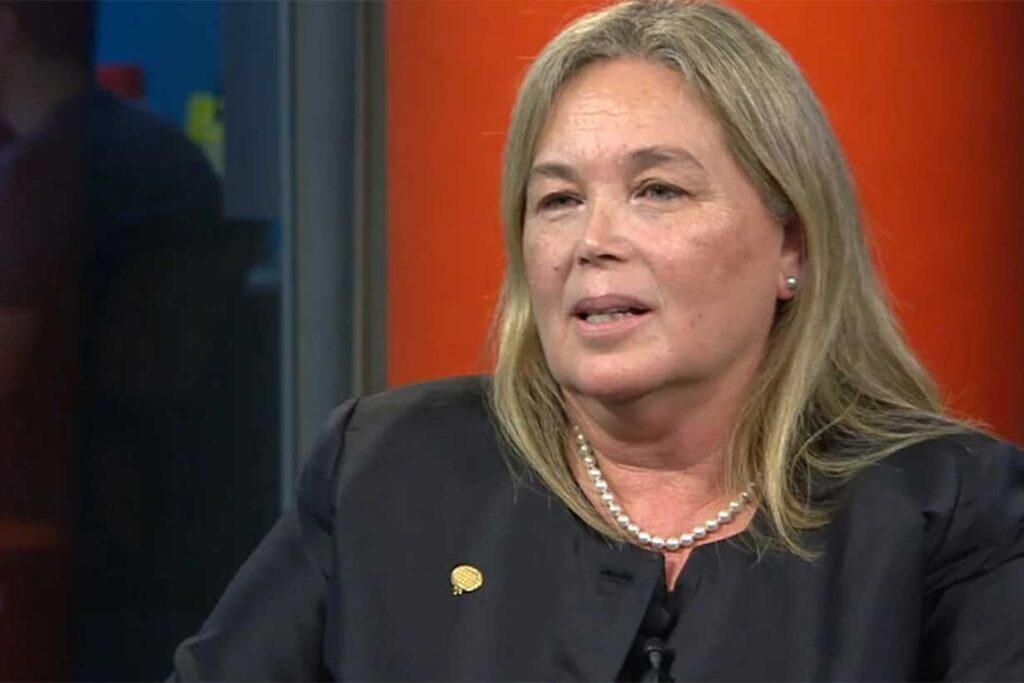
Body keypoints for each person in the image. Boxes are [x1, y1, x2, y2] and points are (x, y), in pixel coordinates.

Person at [171, 1, 1024, 680]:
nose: (593, 240)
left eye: (658, 190)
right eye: (558, 200)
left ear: (791, 245)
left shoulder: (951, 512)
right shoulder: (384, 469)